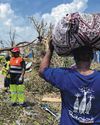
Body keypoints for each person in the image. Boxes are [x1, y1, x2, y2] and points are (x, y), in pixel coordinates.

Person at [39, 41, 100, 125]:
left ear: (74, 57)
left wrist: (50, 49)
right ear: (92, 57)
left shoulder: (64, 75)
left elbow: (42, 71)